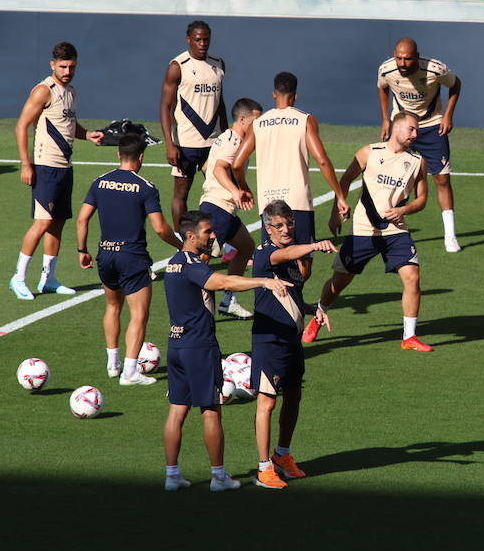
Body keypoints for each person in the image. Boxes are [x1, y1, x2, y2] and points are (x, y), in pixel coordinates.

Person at [162, 210, 294, 492]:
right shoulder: (193, 265)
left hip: (175, 344)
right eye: (208, 232)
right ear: (190, 236)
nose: (213, 236)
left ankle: (172, 475)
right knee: (211, 410)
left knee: (177, 410)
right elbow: (222, 282)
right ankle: (218, 476)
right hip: (199, 346)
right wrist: (263, 281)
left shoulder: (173, 263)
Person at [307, 113, 433, 352]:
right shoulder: (369, 152)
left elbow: (423, 199)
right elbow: (344, 181)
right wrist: (336, 212)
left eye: (417, 130)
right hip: (363, 231)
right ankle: (318, 314)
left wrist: (404, 209)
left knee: (412, 277)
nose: (416, 134)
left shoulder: (417, 162)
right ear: (397, 127)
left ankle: (409, 337)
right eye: (412, 129)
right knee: (339, 281)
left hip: (396, 232)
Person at [75, 133, 183, 385]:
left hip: (105, 256)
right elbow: (160, 228)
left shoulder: (100, 182)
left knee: (113, 307)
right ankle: (130, 372)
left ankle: (113, 364)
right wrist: (181, 245)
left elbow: (82, 219)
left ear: (118, 154)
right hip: (132, 259)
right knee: (139, 314)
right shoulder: (145, 187)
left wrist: (83, 250)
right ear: (141, 157)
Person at [231, 71, 350, 284]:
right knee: (303, 266)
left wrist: (243, 187)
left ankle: (281, 306)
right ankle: (292, 306)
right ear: (295, 96)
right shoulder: (304, 120)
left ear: (274, 94)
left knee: (275, 260)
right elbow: (322, 160)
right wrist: (340, 196)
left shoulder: (259, 123)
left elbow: (237, 164)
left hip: (269, 203)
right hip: (298, 202)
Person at [250, 200, 337, 489]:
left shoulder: (289, 261)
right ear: (267, 229)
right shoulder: (266, 255)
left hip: (291, 340)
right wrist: (314, 246)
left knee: (294, 395)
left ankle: (282, 455)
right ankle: (264, 468)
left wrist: (314, 309)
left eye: (289, 223)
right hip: (270, 339)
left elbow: (291, 296)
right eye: (279, 225)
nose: (286, 229)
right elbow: (285, 253)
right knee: (268, 401)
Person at [10, 42, 105, 300]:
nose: (67, 71)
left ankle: (48, 278)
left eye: (72, 66)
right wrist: (26, 163)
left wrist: (88, 134)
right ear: (53, 64)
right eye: (63, 66)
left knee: (58, 223)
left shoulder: (71, 92)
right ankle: (18, 278)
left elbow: (67, 125)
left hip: (65, 167)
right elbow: (21, 125)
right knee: (43, 222)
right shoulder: (44, 90)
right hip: (45, 166)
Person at [377, 38, 464, 253]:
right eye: (399, 58)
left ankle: (450, 235)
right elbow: (382, 88)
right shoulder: (386, 70)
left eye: (407, 59)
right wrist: (386, 120)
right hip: (403, 122)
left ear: (417, 56)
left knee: (441, 179)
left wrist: (448, 116)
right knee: (394, 174)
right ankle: (387, 228)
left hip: (432, 124)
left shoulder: (435, 70)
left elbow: (456, 84)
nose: (402, 63)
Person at [197, 97, 262, 319]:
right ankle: (198, 310)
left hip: (223, 208)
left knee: (246, 247)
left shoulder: (224, 138)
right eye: (256, 120)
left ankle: (229, 300)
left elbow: (207, 167)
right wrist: (233, 192)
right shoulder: (234, 142)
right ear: (243, 119)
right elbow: (218, 169)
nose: (259, 125)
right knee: (203, 262)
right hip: (218, 209)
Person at [159, 20, 227, 229]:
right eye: (198, 39)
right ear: (189, 39)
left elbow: (220, 102)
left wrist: (225, 137)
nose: (202, 43)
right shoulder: (177, 66)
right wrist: (170, 144)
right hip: (186, 143)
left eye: (206, 39)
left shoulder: (218, 64)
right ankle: (184, 243)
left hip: (213, 143)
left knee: (221, 191)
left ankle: (221, 241)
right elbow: (165, 107)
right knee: (181, 194)